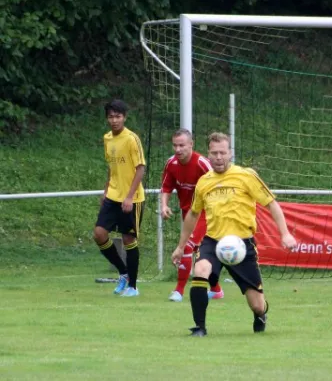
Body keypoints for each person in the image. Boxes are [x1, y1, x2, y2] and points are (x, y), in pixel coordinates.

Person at [171, 132, 296, 337]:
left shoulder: (246, 176)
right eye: (214, 153)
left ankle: (261, 314)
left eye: (222, 152)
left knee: (257, 305)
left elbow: (271, 203)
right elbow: (193, 215)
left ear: (230, 153)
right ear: (208, 155)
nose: (218, 157)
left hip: (242, 245)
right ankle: (199, 327)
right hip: (213, 242)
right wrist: (180, 246)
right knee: (200, 269)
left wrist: (285, 234)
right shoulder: (204, 182)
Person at [161, 129, 224, 302]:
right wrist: (164, 205)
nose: (178, 149)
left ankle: (179, 291)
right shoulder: (171, 164)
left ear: (191, 144)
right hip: (187, 214)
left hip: (206, 213)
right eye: (175, 145)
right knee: (200, 252)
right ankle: (216, 289)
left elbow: (219, 185)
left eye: (182, 145)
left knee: (187, 247)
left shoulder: (202, 163)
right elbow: (166, 187)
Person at [93, 99, 146, 297]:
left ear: (124, 117)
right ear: (107, 118)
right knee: (99, 234)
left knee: (128, 239)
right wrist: (106, 190)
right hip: (113, 196)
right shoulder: (107, 138)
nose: (114, 120)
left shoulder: (132, 139)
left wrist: (129, 197)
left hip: (133, 198)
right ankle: (123, 272)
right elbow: (111, 167)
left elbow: (140, 169)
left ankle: (133, 286)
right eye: (111, 116)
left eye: (118, 116)